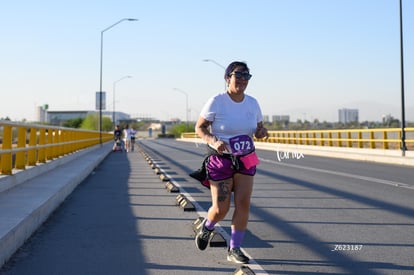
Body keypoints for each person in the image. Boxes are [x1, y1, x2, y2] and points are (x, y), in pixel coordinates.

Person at [194, 61, 268, 264]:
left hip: (246, 159)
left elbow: (259, 128)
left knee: (243, 203)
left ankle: (234, 248)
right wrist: (213, 141)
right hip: (221, 159)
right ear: (228, 78)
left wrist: (262, 132)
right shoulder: (216, 101)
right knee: (221, 209)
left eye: (247, 77)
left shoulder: (253, 103)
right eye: (238, 76)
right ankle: (208, 226)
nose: (243, 80)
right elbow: (200, 127)